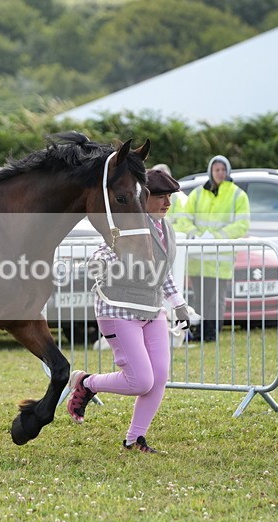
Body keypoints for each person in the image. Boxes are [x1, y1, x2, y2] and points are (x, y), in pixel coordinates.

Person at [66, 168, 190, 454]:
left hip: (151, 308)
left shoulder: (167, 230)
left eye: (169, 197)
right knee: (140, 380)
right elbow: (101, 254)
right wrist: (100, 264)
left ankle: (135, 438)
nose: (167, 203)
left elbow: (164, 273)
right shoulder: (127, 226)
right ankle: (87, 383)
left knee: (158, 377)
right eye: (160, 197)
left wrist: (179, 305)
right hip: (118, 308)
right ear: (143, 197)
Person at [173, 155, 249, 342]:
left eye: (223, 170)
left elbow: (242, 224)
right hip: (198, 260)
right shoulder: (198, 194)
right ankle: (199, 333)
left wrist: (215, 237)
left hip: (219, 260)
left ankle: (212, 333)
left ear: (228, 171)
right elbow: (184, 219)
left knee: (216, 299)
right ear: (211, 172)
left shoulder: (238, 195)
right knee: (200, 298)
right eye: (217, 170)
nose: (220, 173)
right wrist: (195, 234)